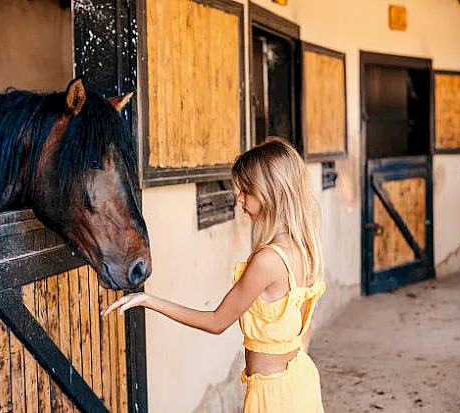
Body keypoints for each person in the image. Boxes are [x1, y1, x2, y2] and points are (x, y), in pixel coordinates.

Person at [103, 137, 326, 412]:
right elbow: (307, 328)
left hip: (273, 395)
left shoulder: (268, 260)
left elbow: (216, 322)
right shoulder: (302, 246)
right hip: (298, 379)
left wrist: (148, 301)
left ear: (272, 192)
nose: (239, 197)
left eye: (247, 190)